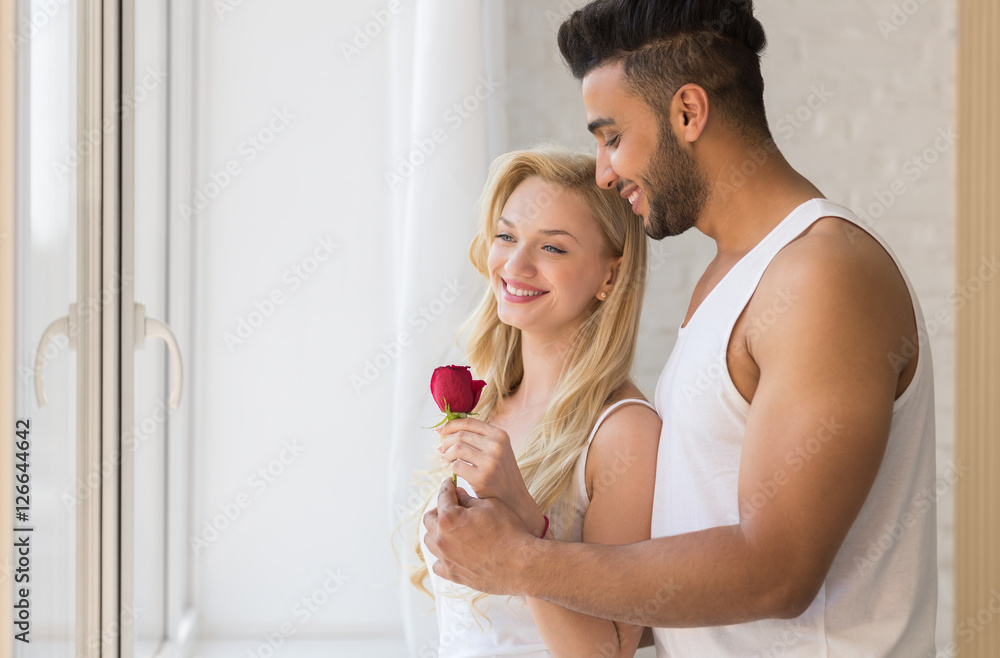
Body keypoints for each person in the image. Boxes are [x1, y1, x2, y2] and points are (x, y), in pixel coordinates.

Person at [423, 1, 937, 656]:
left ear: (689, 113)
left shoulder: (822, 274)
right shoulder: (733, 277)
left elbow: (778, 573)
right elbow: (691, 572)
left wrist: (521, 560)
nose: (604, 171)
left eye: (612, 137)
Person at [412, 145, 662, 657]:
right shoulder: (488, 402)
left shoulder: (623, 432)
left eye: (552, 247)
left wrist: (521, 516)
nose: (515, 264)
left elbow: (607, 652)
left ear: (610, 275)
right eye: (506, 236)